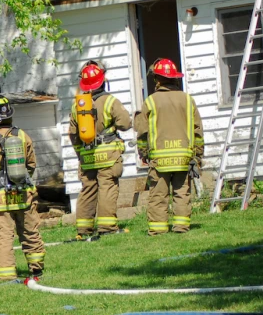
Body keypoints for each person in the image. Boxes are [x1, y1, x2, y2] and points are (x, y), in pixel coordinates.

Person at [0, 94, 45, 281]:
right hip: (23, 193)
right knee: (30, 230)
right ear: (9, 115)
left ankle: (7, 274)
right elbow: (31, 164)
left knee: (4, 235)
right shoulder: (22, 135)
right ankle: (36, 268)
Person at [135, 58, 204, 235]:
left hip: (160, 160)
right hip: (183, 158)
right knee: (182, 192)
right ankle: (181, 227)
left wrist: (143, 153)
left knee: (158, 194)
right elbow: (197, 131)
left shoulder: (150, 101)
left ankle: (158, 230)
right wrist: (197, 156)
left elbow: (142, 132)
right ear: (175, 78)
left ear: (157, 79)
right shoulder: (188, 100)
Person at [68, 61, 132, 241]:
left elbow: (73, 134)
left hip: (87, 156)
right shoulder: (110, 101)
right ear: (102, 81)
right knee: (107, 188)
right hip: (109, 155)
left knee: (88, 189)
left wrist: (81, 153)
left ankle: (84, 230)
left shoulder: (77, 105)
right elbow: (126, 123)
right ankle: (107, 227)